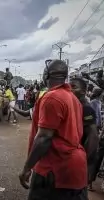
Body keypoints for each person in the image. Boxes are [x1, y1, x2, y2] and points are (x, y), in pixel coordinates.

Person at [20, 60, 88, 200]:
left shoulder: (52, 97)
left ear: (46, 75)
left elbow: (44, 138)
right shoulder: (73, 99)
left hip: (54, 169)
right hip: (75, 169)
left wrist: (27, 168)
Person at [70, 78, 100, 190]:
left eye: (74, 87)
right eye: (69, 87)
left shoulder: (86, 108)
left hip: (78, 160)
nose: (70, 90)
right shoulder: (75, 105)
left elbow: (93, 137)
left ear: (83, 91)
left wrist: (86, 163)